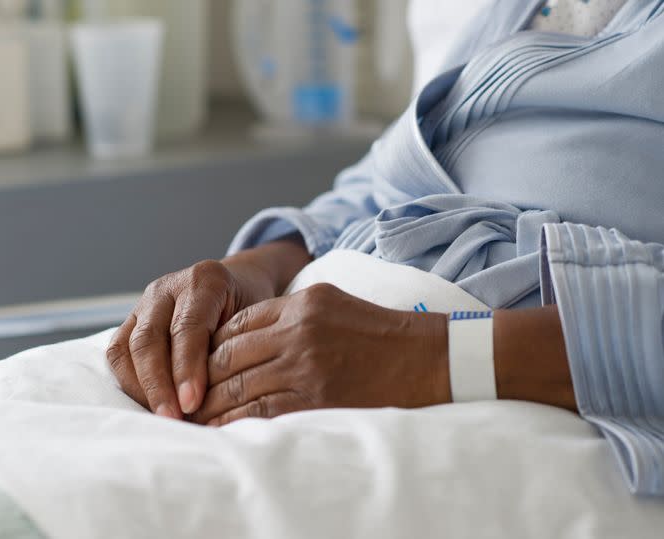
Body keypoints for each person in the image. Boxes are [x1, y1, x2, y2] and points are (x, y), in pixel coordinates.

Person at [107, 0, 664, 495]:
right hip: (319, 327)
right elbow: (393, 176)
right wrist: (256, 266)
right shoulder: (518, 14)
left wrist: (438, 358)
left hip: (539, 388)